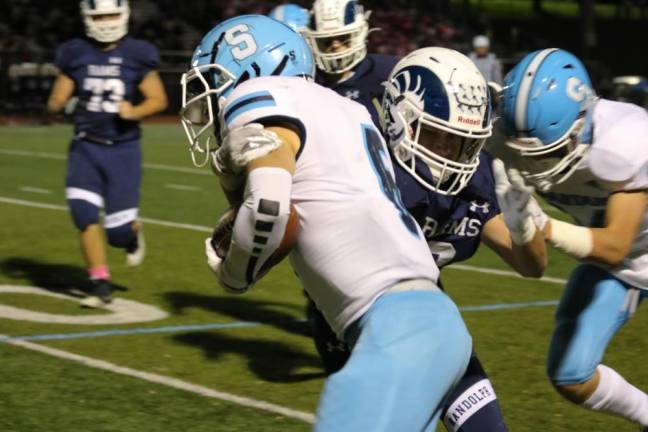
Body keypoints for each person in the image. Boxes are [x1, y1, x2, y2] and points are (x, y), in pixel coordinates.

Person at [180, 14, 472, 431]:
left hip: (395, 330)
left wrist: (231, 276)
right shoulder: (349, 109)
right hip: (430, 321)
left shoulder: (257, 91)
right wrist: (229, 177)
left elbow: (269, 208)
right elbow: (299, 195)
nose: (209, 101)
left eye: (213, 82)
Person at [309, 46, 548, 432]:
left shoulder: (474, 179)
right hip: (351, 317)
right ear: (401, 119)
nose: (454, 157)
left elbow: (531, 265)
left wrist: (524, 225)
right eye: (439, 138)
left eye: (466, 142)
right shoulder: (362, 167)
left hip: (424, 317)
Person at [501, 48, 648, 430]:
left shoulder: (624, 140)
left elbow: (615, 243)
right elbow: (534, 267)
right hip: (626, 267)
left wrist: (546, 227)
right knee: (570, 374)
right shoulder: (506, 138)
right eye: (528, 154)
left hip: (622, 249)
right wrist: (522, 230)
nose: (538, 167)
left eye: (551, 152)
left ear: (583, 119)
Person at [47, 0, 168, 307]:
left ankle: (132, 232)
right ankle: (99, 282)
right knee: (83, 214)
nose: (105, 21)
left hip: (123, 151)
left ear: (124, 15)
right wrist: (61, 104)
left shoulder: (137, 53)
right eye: (99, 15)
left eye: (110, 14)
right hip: (85, 146)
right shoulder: (75, 52)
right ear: (87, 18)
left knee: (117, 233)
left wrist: (135, 110)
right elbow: (56, 100)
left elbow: (157, 99)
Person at [301, 0, 398, 127]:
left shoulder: (389, 71)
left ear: (359, 34)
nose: (335, 46)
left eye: (343, 38)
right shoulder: (305, 79)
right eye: (326, 41)